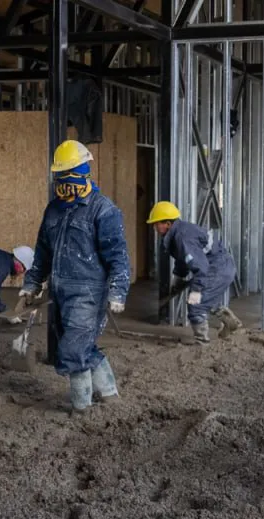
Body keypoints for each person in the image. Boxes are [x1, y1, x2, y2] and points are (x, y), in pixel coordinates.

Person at [21, 140, 131, 413]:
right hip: (60, 291)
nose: (63, 184)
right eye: (59, 177)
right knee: (75, 344)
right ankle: (109, 393)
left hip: (89, 292)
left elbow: (118, 255)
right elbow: (43, 252)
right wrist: (32, 283)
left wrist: (118, 290)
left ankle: (81, 407)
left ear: (83, 173)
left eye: (68, 175)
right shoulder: (53, 210)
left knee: (72, 349)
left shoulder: (103, 210)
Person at [146, 201, 244, 344]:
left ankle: (202, 343)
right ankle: (232, 324)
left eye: (156, 224)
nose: (154, 227)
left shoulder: (182, 237)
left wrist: (196, 290)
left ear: (167, 223)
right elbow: (183, 258)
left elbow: (201, 267)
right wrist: (178, 278)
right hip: (219, 265)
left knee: (196, 304)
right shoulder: (178, 233)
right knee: (207, 299)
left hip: (217, 267)